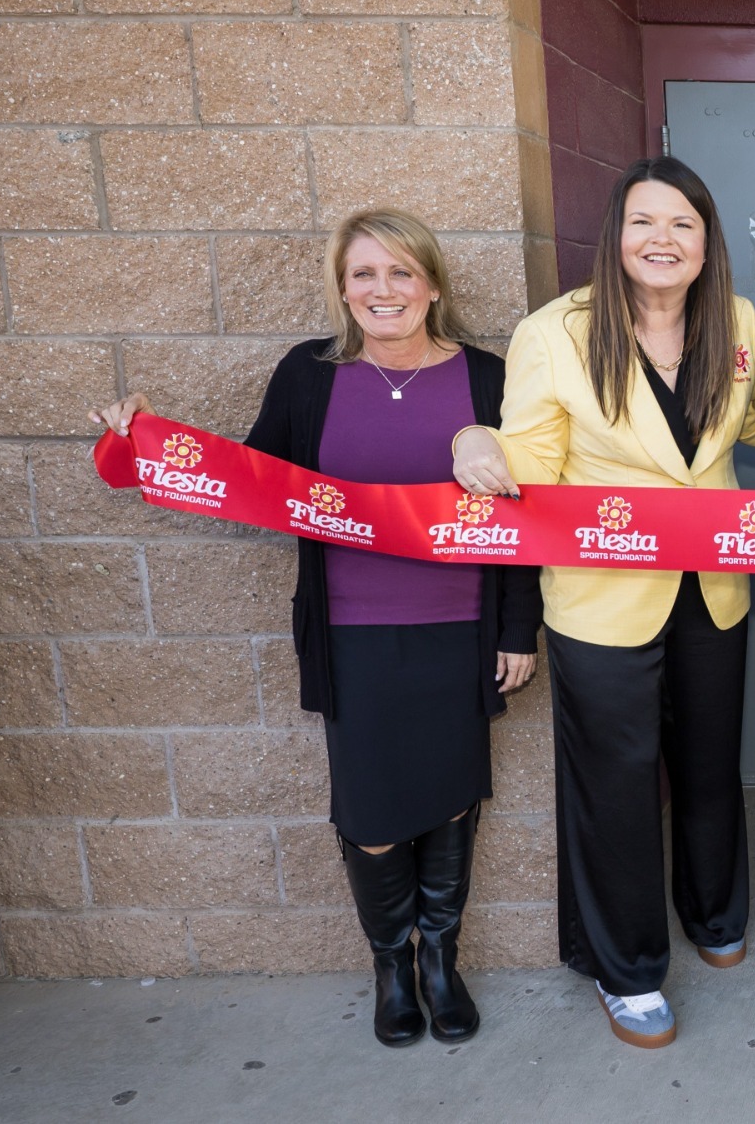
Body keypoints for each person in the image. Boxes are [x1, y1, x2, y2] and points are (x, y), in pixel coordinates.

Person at [89, 208, 542, 1049]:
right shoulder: (309, 374)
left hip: (460, 630)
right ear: (343, 287)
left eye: (401, 272)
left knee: (450, 805)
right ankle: (390, 964)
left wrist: (519, 628)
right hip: (354, 633)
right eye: (365, 274)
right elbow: (246, 477)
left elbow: (521, 518)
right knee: (371, 811)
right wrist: (152, 437)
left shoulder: (490, 377)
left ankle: (440, 961)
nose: (384, 290)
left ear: (432, 284)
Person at [449, 157, 755, 1049]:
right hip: (602, 601)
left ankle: (714, 914)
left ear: (707, 246)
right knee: (618, 786)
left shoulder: (736, 322)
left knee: (710, 766)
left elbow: (754, 423)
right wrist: (475, 439)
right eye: (644, 222)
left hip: (712, 591)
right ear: (616, 235)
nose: (662, 239)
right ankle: (627, 969)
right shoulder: (555, 332)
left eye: (682, 224)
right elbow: (530, 460)